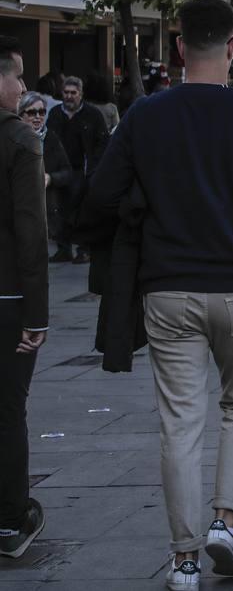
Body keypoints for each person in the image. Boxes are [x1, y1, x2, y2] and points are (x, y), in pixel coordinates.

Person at [80, 0, 233, 589]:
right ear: (231, 49)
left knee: (179, 421)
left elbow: (100, 195)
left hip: (167, 289)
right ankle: (226, 521)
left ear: (178, 47)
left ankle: (182, 558)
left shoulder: (145, 115)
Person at [0, 36, 48, 560]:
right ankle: (10, 518)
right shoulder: (19, 140)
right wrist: (38, 314)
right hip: (8, 294)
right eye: (16, 77)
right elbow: (31, 233)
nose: (22, 87)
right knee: (8, 408)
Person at [45, 75, 109, 264]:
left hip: (83, 169)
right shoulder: (56, 113)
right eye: (66, 92)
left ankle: (84, 249)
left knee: (82, 211)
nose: (69, 96)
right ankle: (63, 249)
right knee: (60, 209)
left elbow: (102, 142)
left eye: (73, 93)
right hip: (61, 170)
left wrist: (95, 168)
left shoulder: (93, 115)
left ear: (81, 94)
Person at [17, 92, 73, 247]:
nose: (37, 117)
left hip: (47, 212)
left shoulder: (51, 138)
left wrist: (50, 178)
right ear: (21, 114)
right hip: (20, 209)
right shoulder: (12, 139)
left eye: (41, 112)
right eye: (32, 112)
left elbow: (68, 172)